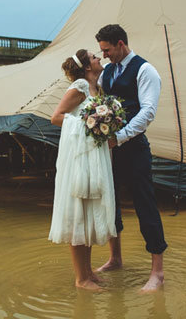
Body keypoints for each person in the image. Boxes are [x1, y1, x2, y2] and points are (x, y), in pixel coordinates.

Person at [95, 24, 167, 292]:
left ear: (121, 44)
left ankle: (157, 273)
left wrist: (120, 136)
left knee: (145, 205)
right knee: (110, 203)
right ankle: (115, 258)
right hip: (111, 151)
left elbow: (148, 111)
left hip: (135, 149)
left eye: (107, 50)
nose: (104, 56)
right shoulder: (108, 72)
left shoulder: (146, 70)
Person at [49, 48, 117, 291]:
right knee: (78, 212)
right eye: (95, 56)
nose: (99, 58)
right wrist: (91, 123)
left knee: (88, 212)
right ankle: (81, 279)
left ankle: (89, 272)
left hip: (94, 158)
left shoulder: (97, 89)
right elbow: (56, 117)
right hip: (79, 160)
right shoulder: (79, 86)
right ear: (88, 66)